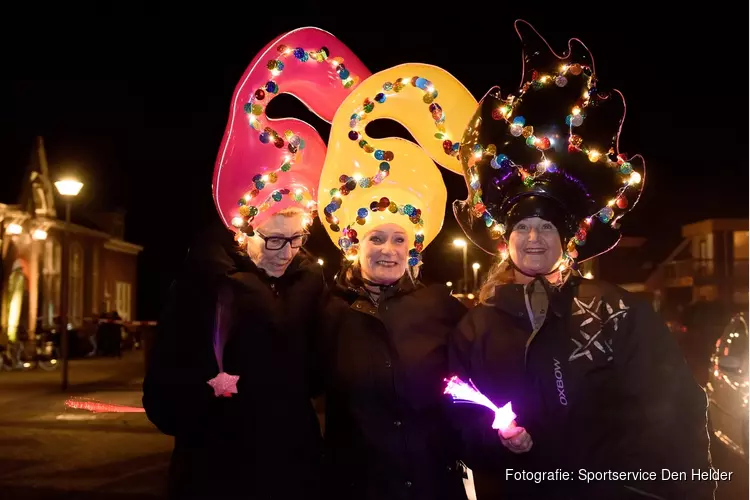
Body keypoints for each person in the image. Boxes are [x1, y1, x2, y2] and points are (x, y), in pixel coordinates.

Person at [448, 20, 714, 499]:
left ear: (566, 239)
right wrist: (499, 445)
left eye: (547, 227)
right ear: (505, 239)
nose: (533, 238)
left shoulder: (618, 312)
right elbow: (461, 428)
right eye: (522, 228)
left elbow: (678, 412)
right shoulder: (478, 327)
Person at [142, 49, 332, 498]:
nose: (286, 253)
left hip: (294, 471)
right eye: (273, 240)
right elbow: (162, 401)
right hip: (218, 474)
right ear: (241, 231)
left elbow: (319, 376)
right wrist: (210, 396)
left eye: (297, 239)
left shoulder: (310, 283)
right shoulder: (199, 285)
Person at [314, 70, 470, 500]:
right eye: (376, 238)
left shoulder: (440, 306)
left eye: (399, 239)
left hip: (432, 485)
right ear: (354, 244)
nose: (388, 249)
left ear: (413, 248)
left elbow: (488, 365)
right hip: (357, 488)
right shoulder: (329, 310)